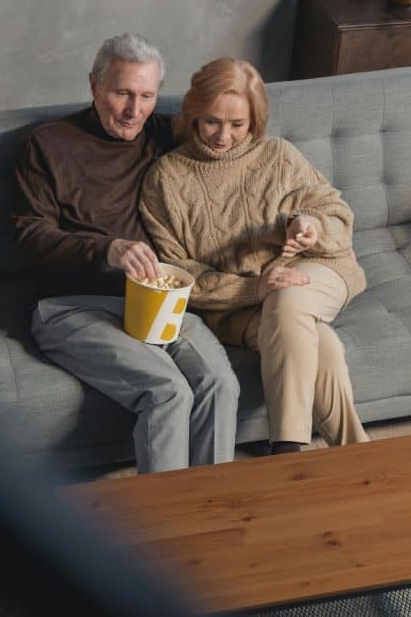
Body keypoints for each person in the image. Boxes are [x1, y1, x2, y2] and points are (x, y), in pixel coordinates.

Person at [11, 33, 240, 474]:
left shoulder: (166, 136)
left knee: (220, 384)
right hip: (71, 307)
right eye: (122, 93)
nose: (135, 110)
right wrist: (108, 249)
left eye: (147, 96)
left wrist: (298, 219)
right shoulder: (48, 144)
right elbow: (29, 237)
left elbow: (243, 152)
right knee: (168, 391)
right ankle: (163, 515)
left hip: (160, 299)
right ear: (94, 85)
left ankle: (212, 510)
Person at [139, 57, 369, 455]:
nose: (223, 136)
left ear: (255, 120)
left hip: (314, 269)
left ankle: (286, 450)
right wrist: (254, 288)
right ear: (193, 113)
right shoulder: (165, 179)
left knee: (288, 297)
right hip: (239, 307)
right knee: (323, 347)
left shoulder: (278, 155)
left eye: (237, 124)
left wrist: (309, 225)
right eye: (212, 121)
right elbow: (177, 272)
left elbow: (337, 214)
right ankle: (361, 456)